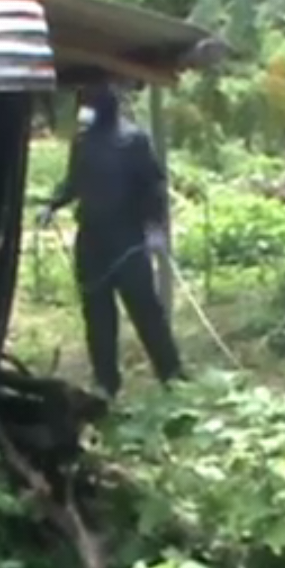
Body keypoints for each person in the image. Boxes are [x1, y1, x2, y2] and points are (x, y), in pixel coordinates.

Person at [35, 83, 185, 397]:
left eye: (90, 103)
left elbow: (154, 185)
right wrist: (52, 204)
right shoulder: (82, 142)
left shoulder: (133, 140)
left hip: (128, 240)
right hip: (91, 241)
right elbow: (73, 182)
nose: (84, 109)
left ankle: (172, 376)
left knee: (146, 312)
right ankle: (106, 384)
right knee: (98, 317)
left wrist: (155, 227)